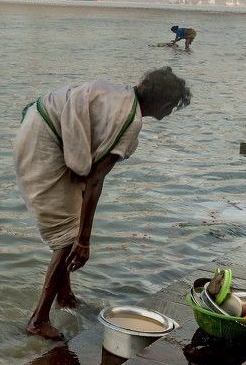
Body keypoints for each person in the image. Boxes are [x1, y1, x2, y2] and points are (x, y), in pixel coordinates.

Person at [14, 68, 191, 339]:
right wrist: (84, 240)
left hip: (39, 125)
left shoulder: (123, 97)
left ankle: (65, 296)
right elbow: (95, 179)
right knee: (67, 237)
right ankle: (38, 320)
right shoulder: (131, 121)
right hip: (45, 139)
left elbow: (88, 176)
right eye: (171, 107)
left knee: (70, 221)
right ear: (164, 103)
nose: (169, 113)